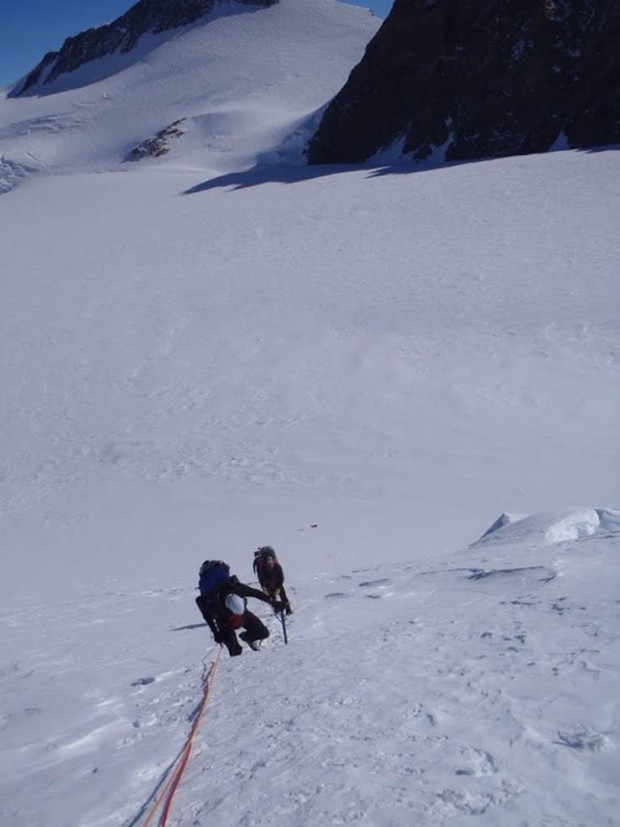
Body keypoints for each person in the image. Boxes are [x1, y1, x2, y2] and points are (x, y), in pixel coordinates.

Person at [195, 560, 284, 657]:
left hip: (242, 615)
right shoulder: (213, 602)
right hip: (224, 622)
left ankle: (247, 637)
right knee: (236, 651)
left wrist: (273, 602)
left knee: (263, 633)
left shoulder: (236, 588)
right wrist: (215, 632)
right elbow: (207, 616)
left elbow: (256, 593)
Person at [254, 546, 292, 615]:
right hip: (268, 585)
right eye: (268, 561)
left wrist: (278, 587)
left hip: (277, 584)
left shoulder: (277, 567)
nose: (269, 563)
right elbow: (261, 579)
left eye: (270, 561)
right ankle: (276, 609)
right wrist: (264, 588)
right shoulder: (262, 569)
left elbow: (281, 577)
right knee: (272, 598)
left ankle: (288, 609)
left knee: (283, 597)